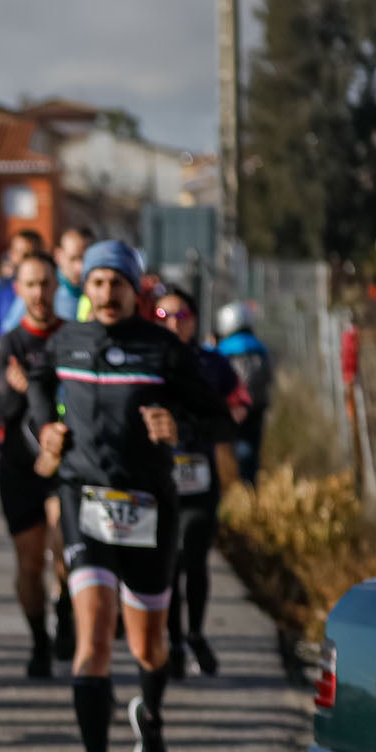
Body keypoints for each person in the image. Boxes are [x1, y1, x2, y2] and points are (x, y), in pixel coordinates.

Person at [28, 240, 227, 752]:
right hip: (83, 499)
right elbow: (36, 390)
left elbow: (219, 415)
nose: (106, 294)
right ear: (85, 289)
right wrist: (44, 429)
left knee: (148, 647)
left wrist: (180, 425)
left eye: (117, 283)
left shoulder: (164, 350)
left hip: (150, 507)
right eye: (96, 283)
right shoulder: (66, 344)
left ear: (136, 289)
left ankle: (152, 716)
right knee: (92, 639)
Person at [0, 250, 71, 677]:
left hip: (66, 466)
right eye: (31, 284)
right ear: (19, 289)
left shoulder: (72, 338)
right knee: (29, 561)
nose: (40, 293)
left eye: (46, 283)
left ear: (58, 287)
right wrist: (16, 390)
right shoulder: (9, 345)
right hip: (19, 467)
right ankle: (39, 639)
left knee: (64, 550)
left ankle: (67, 607)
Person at [156, 285, 245, 677]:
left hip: (200, 473)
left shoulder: (211, 364)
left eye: (181, 317)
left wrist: (218, 428)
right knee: (169, 561)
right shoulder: (148, 360)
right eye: (164, 317)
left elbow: (241, 402)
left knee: (194, 555)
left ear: (194, 321)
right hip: (160, 475)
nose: (174, 324)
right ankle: (173, 639)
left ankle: (195, 633)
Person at [215, 298, 273, 479]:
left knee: (234, 449)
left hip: (231, 408)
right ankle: (249, 487)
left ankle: (237, 487)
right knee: (250, 450)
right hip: (257, 407)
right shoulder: (259, 347)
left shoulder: (223, 348)